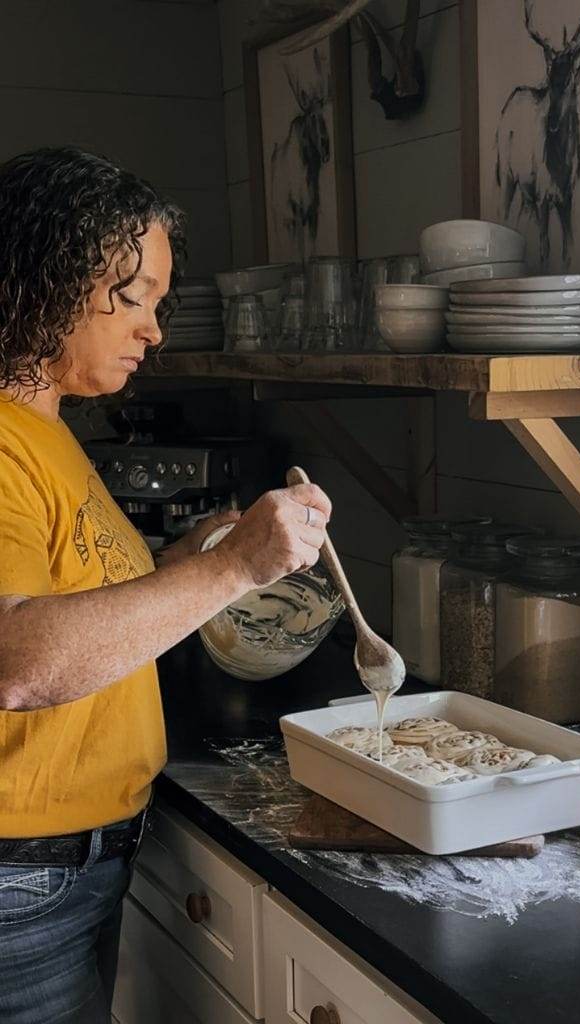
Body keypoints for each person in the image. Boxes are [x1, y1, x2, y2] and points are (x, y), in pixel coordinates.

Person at [0, 146, 331, 1024]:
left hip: (57, 869)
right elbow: (18, 660)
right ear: (42, 281)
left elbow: (80, 597)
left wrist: (197, 561)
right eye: (132, 295)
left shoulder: (45, 427)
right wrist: (236, 566)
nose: (153, 328)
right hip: (18, 884)